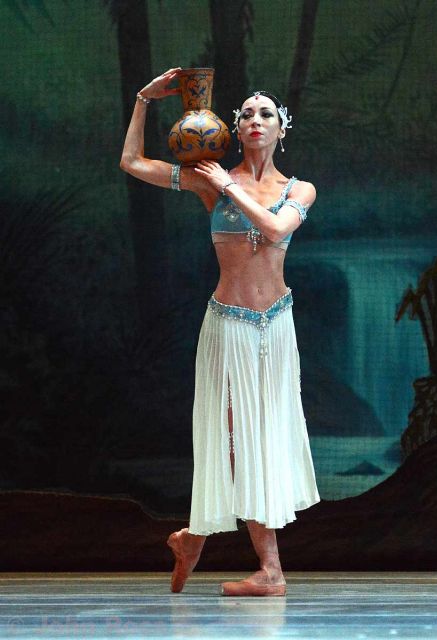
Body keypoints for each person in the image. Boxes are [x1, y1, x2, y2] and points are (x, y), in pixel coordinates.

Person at [120, 67, 320, 597]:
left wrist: (230, 186)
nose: (256, 120)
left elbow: (275, 228)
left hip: (276, 325)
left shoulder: (299, 189)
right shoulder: (211, 180)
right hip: (229, 324)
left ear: (281, 129)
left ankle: (208, 545)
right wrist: (143, 100)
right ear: (236, 127)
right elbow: (132, 163)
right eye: (247, 113)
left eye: (266, 114)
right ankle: (254, 562)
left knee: (267, 438)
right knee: (234, 440)